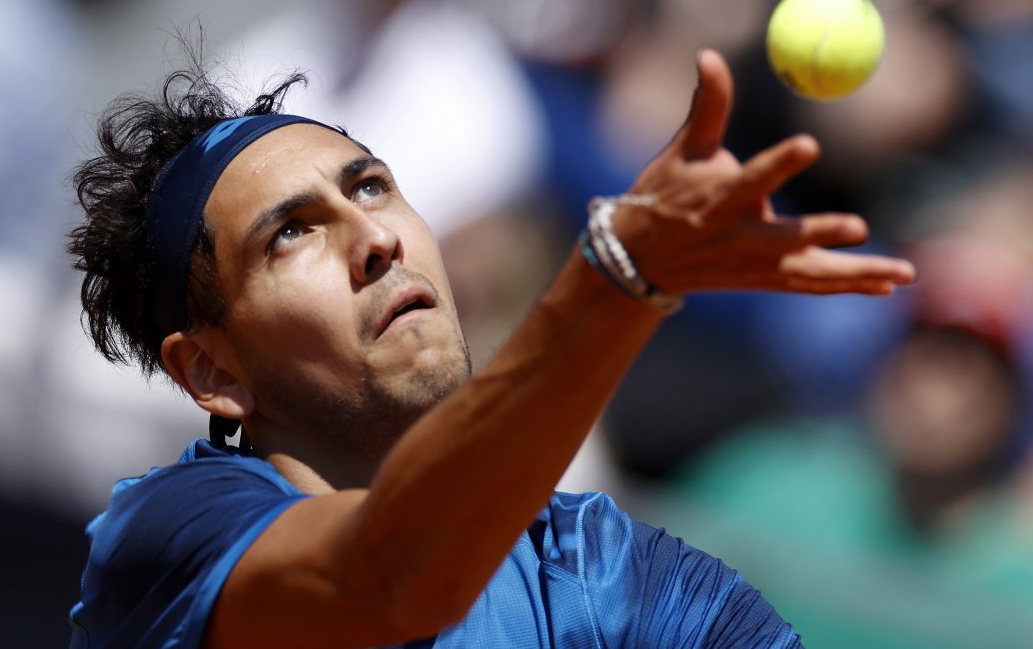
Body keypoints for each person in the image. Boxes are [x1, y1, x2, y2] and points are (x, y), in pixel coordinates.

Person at [66, 47, 914, 648]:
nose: (375, 237)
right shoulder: (168, 537)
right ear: (210, 370)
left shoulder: (599, 568)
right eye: (290, 234)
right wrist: (617, 279)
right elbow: (394, 578)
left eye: (372, 187)